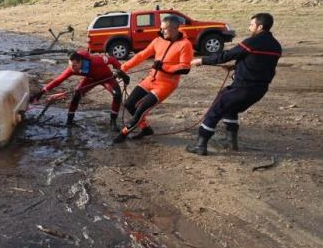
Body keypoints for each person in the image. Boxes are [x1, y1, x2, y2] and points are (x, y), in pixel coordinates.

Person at [186, 13, 281, 155]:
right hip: (259, 90)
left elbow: (227, 55)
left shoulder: (252, 42)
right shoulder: (276, 46)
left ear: (260, 26)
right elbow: (259, 63)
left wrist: (202, 61)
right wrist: (235, 67)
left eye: (251, 25)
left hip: (243, 88)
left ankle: (201, 145)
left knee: (215, 111)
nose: (249, 28)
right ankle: (231, 143)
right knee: (230, 109)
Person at [113, 15, 194, 143]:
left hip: (166, 85)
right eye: (161, 29)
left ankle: (123, 133)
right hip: (150, 80)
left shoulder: (185, 45)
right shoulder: (158, 40)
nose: (161, 31)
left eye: (164, 29)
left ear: (175, 28)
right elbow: (141, 55)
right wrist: (123, 68)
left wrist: (164, 67)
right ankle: (146, 129)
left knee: (141, 108)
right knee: (129, 104)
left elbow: (185, 68)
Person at [30, 50, 130, 129]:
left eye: (75, 66)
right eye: (70, 66)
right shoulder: (72, 68)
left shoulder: (96, 61)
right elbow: (58, 80)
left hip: (106, 78)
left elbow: (112, 60)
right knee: (76, 94)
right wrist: (42, 91)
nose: (72, 69)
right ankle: (69, 121)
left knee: (117, 95)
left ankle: (113, 122)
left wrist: (121, 71)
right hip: (90, 79)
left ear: (81, 62)